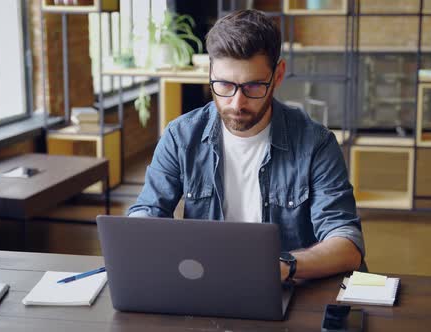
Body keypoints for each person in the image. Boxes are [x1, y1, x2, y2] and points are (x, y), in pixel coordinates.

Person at [128, 9, 364, 282]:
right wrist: (140, 230)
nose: (237, 103)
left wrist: (284, 266)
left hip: (286, 290)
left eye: (253, 86)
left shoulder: (316, 144)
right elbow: (147, 212)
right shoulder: (180, 136)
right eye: (224, 85)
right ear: (210, 73)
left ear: (277, 76)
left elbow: (347, 245)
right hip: (205, 283)